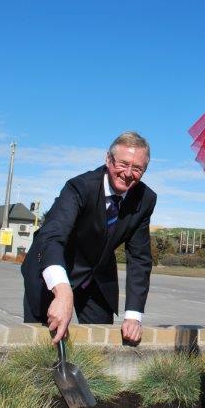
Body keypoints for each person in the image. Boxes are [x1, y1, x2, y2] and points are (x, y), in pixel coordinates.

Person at [22, 131, 156, 345]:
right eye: (122, 164)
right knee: (43, 340)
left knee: (99, 340)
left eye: (137, 168)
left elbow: (140, 258)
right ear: (108, 160)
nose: (128, 173)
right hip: (53, 265)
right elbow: (53, 236)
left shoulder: (145, 199)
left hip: (96, 276)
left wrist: (133, 315)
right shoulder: (79, 187)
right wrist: (62, 291)